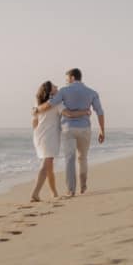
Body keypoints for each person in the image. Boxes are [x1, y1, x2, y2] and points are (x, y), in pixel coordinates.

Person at [42, 68, 105, 196]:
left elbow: (50, 104)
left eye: (66, 79)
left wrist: (37, 109)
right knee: (83, 158)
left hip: (68, 129)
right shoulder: (92, 92)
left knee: (69, 159)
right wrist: (102, 130)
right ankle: (83, 185)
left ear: (72, 77)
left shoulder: (64, 91)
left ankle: (71, 190)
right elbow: (100, 112)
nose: (66, 82)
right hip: (85, 129)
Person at [30, 80, 88, 202]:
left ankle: (54, 193)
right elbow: (70, 114)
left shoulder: (38, 103)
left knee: (49, 166)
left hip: (39, 135)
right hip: (49, 137)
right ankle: (35, 193)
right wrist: (85, 112)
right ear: (50, 91)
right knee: (46, 164)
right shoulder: (57, 103)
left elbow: (34, 121)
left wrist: (37, 132)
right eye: (54, 86)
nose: (57, 87)